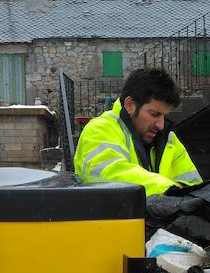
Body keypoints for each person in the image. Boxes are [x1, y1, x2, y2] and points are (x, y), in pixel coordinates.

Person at [74, 68, 201, 196]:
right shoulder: (99, 130)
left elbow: (195, 187)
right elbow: (110, 178)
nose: (161, 125)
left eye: (164, 116)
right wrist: (172, 192)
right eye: (154, 114)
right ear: (129, 105)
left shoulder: (169, 139)